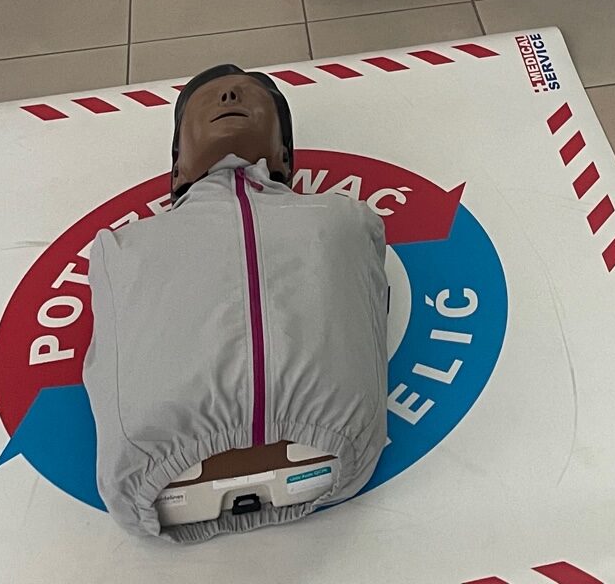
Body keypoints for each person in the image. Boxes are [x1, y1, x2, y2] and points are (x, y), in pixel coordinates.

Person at [84, 64, 388, 540]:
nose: (229, 97)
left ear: (284, 155)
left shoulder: (343, 222)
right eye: (211, 98)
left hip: (338, 439)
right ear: (177, 168)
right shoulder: (122, 250)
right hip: (159, 465)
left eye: (249, 96)